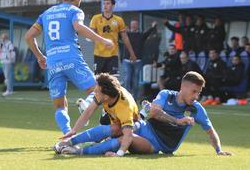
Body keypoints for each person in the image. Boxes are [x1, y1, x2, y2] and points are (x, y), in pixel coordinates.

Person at [25, 0, 113, 134]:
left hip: (52, 62)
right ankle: (86, 103)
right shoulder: (74, 10)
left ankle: (67, 134)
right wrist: (102, 40)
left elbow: (28, 36)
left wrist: (40, 56)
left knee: (60, 105)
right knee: (97, 89)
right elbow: (78, 27)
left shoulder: (46, 14)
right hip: (71, 58)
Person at [53, 73, 192, 156]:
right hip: (134, 126)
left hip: (146, 141)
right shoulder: (105, 94)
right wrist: (73, 132)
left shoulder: (123, 107)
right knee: (112, 129)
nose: (95, 92)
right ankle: (70, 143)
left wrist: (119, 154)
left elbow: (128, 136)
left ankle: (78, 152)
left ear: (106, 96)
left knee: (120, 138)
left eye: (97, 90)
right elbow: (88, 111)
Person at [106, 71, 232, 157]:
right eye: (194, 91)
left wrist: (219, 150)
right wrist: (177, 121)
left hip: (158, 144)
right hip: (145, 128)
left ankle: (95, 150)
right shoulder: (166, 94)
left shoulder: (196, 109)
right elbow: (154, 112)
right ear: (183, 86)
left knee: (125, 137)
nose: (196, 96)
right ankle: (96, 148)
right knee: (117, 128)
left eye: (198, 93)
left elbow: (210, 131)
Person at [90, 0, 137, 75]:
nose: (105, 6)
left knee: (113, 81)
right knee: (98, 81)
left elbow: (125, 38)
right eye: (104, 3)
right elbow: (91, 35)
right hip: (98, 55)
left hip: (113, 55)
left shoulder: (119, 20)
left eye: (108, 3)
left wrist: (132, 53)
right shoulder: (96, 18)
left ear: (113, 6)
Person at [122, 20, 157, 101]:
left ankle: (134, 98)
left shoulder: (141, 35)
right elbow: (118, 33)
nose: (133, 26)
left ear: (138, 26)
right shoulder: (126, 34)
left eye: (135, 24)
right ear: (130, 25)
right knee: (127, 79)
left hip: (138, 62)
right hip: (127, 61)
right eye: (132, 24)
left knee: (136, 80)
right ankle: (126, 98)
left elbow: (148, 33)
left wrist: (153, 27)